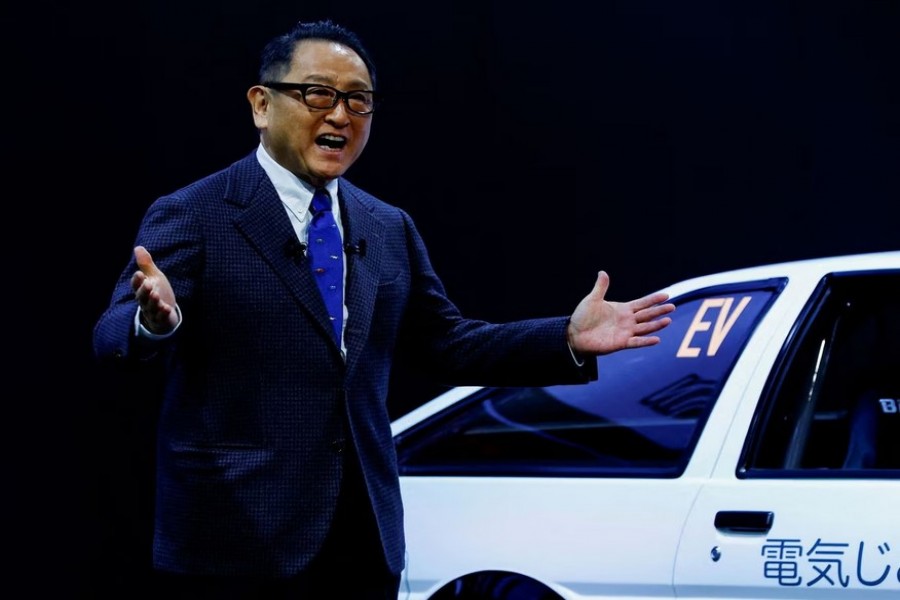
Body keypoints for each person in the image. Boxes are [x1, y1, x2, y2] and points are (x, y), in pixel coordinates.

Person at [93, 18, 675, 599]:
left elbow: (449, 343)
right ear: (261, 104)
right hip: (236, 537)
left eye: (359, 101)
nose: (341, 116)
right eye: (318, 94)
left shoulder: (386, 226)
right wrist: (153, 322)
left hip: (363, 537)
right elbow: (111, 334)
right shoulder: (196, 213)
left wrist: (565, 338)